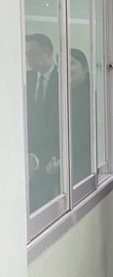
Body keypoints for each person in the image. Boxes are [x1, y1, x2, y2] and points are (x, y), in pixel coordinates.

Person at [25, 33, 60, 211]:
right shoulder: (26, 79)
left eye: (32, 53)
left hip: (55, 160)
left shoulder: (64, 80)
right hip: (31, 160)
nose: (27, 59)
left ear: (47, 53)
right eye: (26, 54)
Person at [69, 48, 92, 187]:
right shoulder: (62, 94)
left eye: (72, 63)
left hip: (86, 164)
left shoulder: (92, 94)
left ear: (85, 68)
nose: (66, 69)